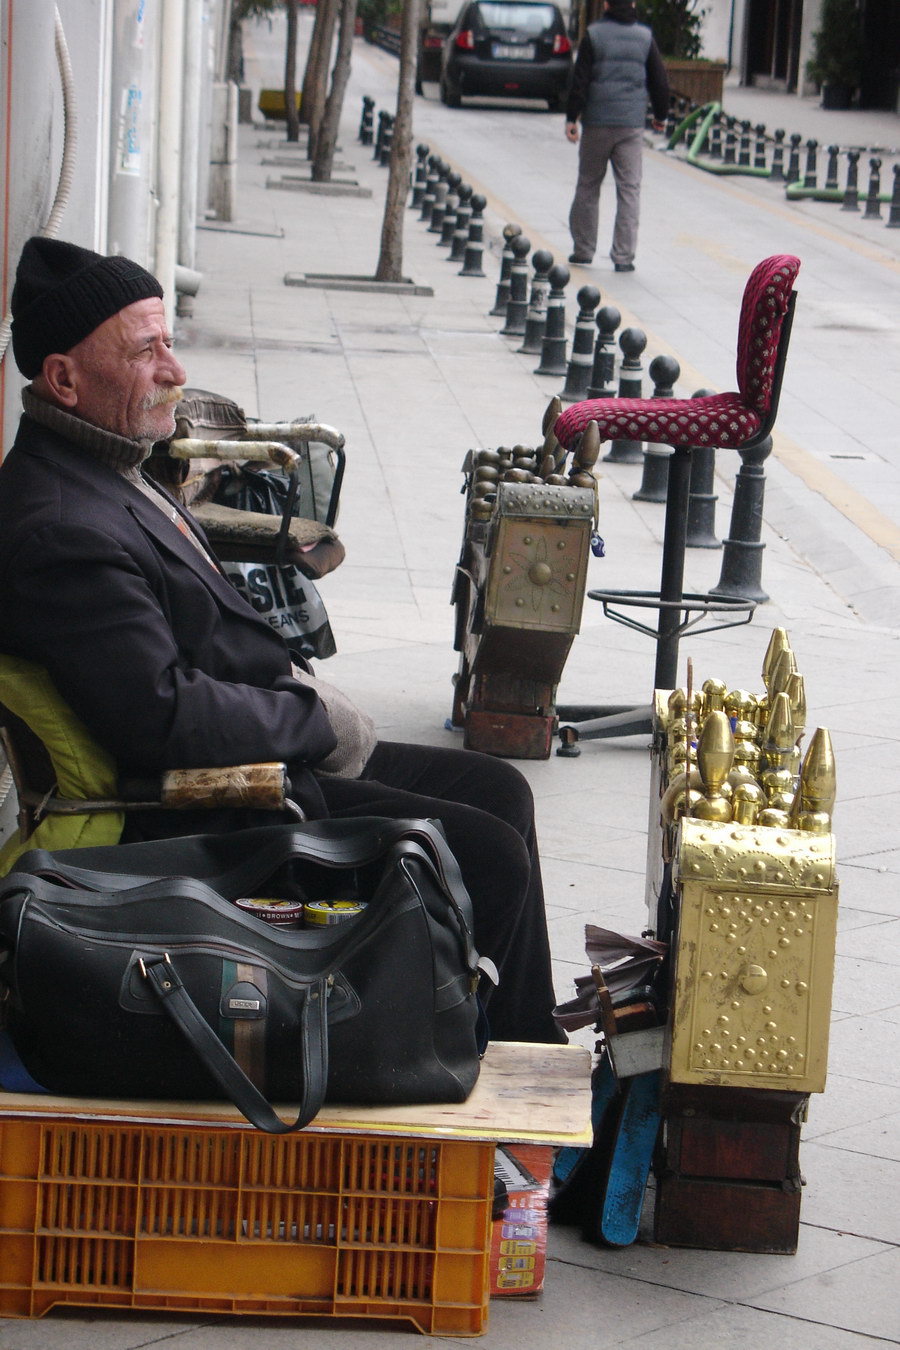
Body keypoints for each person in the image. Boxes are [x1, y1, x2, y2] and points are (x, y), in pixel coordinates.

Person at [0, 236, 565, 1045]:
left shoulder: (108, 466)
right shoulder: (59, 526)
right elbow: (157, 720)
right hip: (206, 812)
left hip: (267, 750)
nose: (174, 369)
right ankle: (458, 1076)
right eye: (145, 351)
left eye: (168, 341)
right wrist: (308, 716)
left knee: (502, 793)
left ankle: (526, 1053)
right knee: (487, 854)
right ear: (64, 379)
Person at [565, 0, 669, 272]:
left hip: (597, 123)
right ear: (633, 3)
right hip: (630, 126)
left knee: (588, 185)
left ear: (606, 4)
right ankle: (623, 257)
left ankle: (583, 250)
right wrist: (661, 116)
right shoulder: (645, 37)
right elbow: (659, 80)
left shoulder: (593, 35)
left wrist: (571, 118)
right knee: (629, 190)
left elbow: (580, 80)